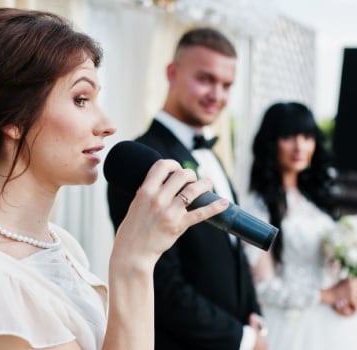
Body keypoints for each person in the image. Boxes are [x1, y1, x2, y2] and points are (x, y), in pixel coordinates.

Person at [0, 8, 228, 350]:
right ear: (12, 117)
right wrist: (133, 264)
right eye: (81, 99)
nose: (107, 124)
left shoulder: (61, 246)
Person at [106, 28, 265, 350]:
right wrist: (242, 339)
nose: (217, 95)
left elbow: (235, 252)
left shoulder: (213, 157)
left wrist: (253, 312)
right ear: (172, 72)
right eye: (206, 79)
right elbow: (160, 281)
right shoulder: (143, 163)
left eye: (226, 85)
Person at [241, 102, 357, 350]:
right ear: (271, 143)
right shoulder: (257, 208)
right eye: (289, 136)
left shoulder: (314, 202)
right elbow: (263, 287)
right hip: (288, 324)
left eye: (307, 136)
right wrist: (326, 295)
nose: (300, 146)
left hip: (333, 319)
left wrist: (344, 294)